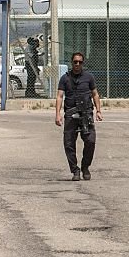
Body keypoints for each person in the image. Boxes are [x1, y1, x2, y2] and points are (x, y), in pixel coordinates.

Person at [55, 52, 103, 181]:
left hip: (86, 114)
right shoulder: (65, 78)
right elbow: (60, 96)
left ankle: (85, 167)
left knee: (90, 141)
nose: (77, 64)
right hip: (71, 114)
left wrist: (98, 111)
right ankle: (75, 170)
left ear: (83, 63)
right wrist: (57, 114)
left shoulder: (89, 77)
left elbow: (95, 94)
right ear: (72, 63)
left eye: (80, 62)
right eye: (75, 62)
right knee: (69, 143)